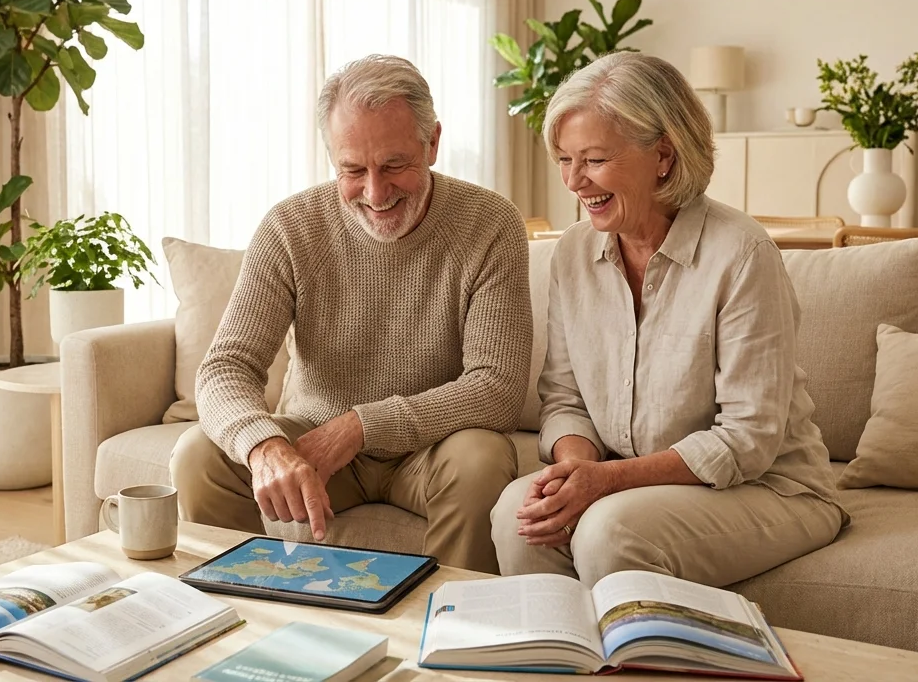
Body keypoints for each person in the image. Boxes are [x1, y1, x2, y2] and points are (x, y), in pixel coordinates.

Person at [490, 52, 847, 587]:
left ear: (663, 154)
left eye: (593, 159)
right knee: (518, 514)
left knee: (610, 531)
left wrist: (606, 481)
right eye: (564, 159)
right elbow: (565, 399)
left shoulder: (742, 253)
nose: (574, 181)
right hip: (633, 483)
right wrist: (574, 470)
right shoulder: (571, 253)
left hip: (767, 487)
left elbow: (747, 438)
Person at [170, 54, 532, 573]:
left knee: (481, 458)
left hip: (432, 451)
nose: (375, 192)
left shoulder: (490, 223)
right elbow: (225, 368)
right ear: (330, 157)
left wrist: (361, 427)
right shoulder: (290, 227)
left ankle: (455, 625)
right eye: (353, 170)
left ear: (432, 143)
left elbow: (496, 390)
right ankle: (249, 607)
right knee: (197, 457)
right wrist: (266, 446)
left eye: (394, 165)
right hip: (313, 446)